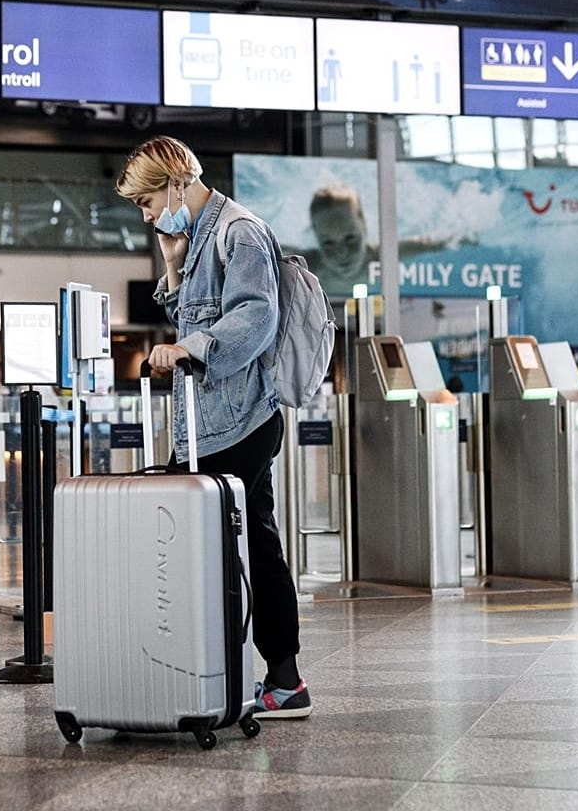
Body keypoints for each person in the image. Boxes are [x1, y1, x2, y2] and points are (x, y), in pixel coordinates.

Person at [116, 135, 310, 720]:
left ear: (176, 182)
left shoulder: (239, 232)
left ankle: (234, 677)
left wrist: (188, 349)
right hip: (209, 424)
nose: (147, 215)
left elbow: (256, 316)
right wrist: (173, 268)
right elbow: (192, 313)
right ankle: (273, 679)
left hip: (239, 423)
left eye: (147, 201)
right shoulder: (196, 239)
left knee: (217, 548)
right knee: (246, 542)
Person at [305, 183, 377, 295]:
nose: (341, 253)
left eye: (350, 238)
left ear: (364, 224)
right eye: (328, 243)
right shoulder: (305, 269)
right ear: (316, 236)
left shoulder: (386, 259)